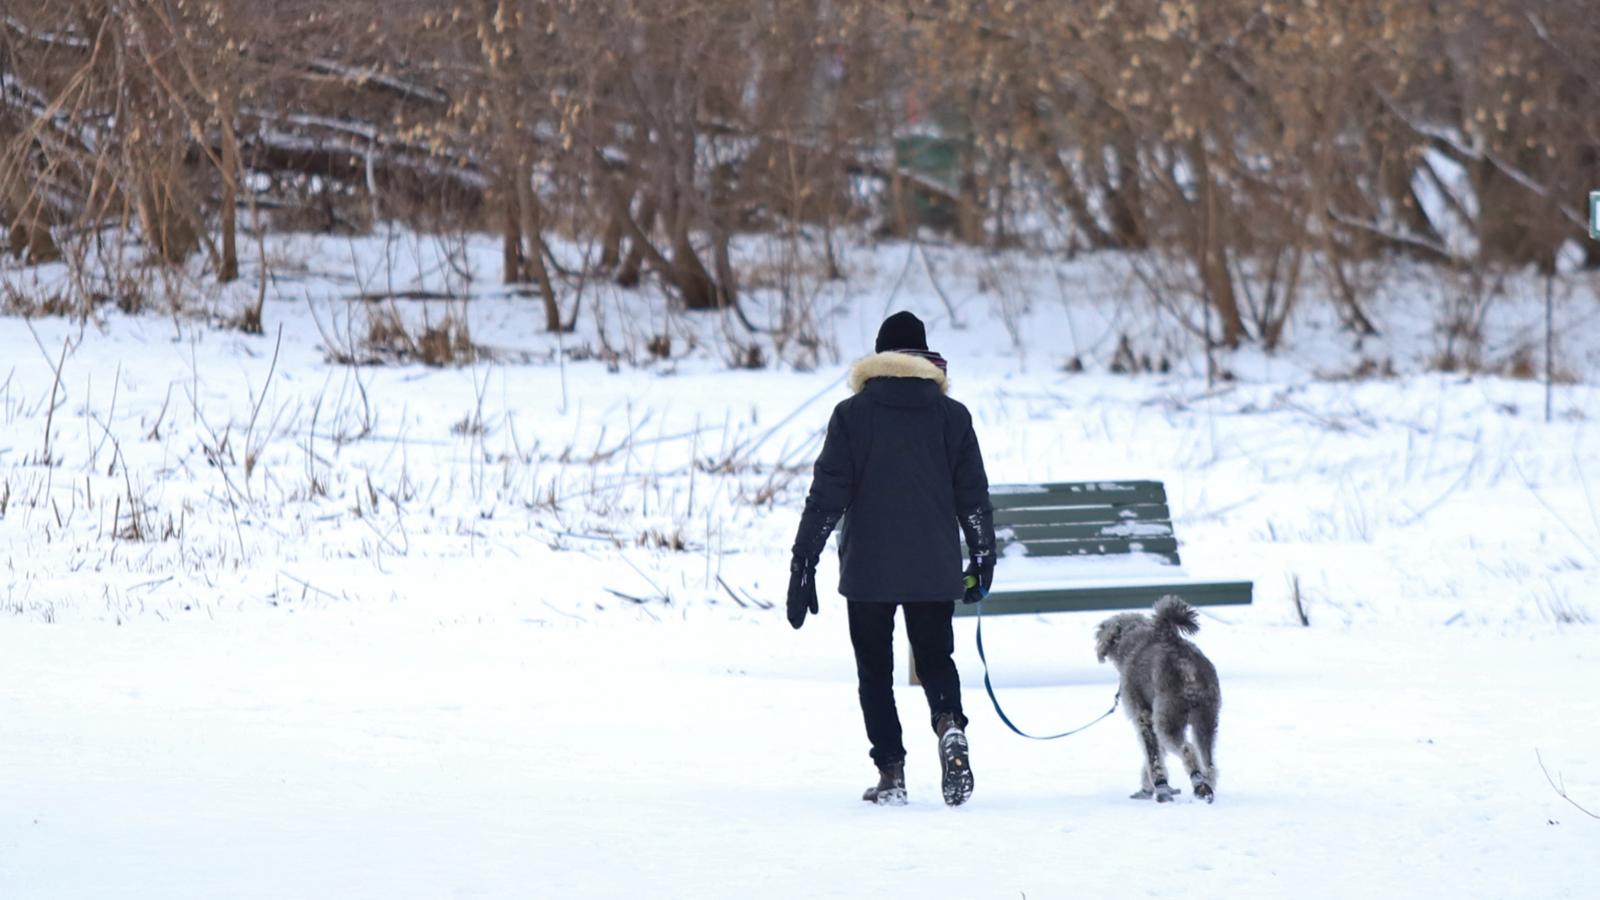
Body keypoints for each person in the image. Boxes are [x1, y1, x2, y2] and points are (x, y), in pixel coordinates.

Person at [787, 310, 995, 807]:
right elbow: (973, 496)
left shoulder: (851, 415)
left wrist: (804, 560)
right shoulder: (953, 416)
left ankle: (891, 773)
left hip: (869, 570)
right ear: (926, 358)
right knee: (937, 659)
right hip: (932, 568)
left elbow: (827, 496)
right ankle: (949, 726)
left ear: (878, 359)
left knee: (874, 671)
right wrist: (983, 555)